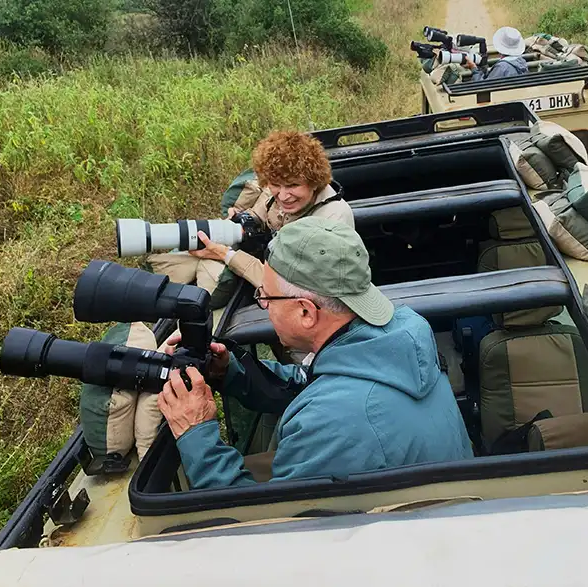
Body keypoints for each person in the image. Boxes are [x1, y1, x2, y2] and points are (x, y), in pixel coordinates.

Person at [157, 218, 474, 489]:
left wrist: (196, 433)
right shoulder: (401, 330)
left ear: (306, 312)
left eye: (265, 296)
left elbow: (263, 526)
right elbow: (319, 381)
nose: (263, 305)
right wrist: (231, 371)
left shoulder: (332, 422)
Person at [189, 130, 354, 290]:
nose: (282, 196)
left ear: (314, 181)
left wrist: (225, 254)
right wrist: (238, 221)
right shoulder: (273, 192)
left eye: (293, 185)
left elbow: (289, 288)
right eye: (275, 184)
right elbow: (256, 216)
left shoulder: (332, 219)